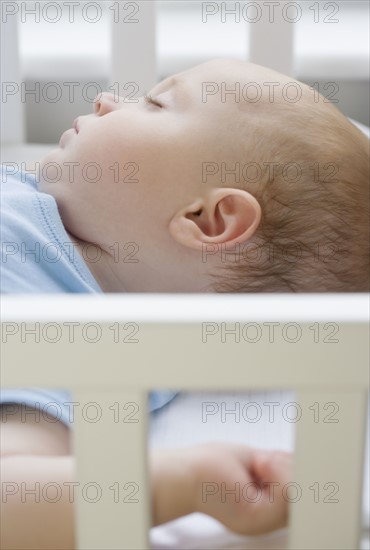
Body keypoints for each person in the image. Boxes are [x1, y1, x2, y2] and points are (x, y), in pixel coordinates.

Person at [1, 57, 369, 548]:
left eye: (155, 103)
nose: (105, 100)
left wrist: (183, 482)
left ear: (208, 220)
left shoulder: (70, 334)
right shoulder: (42, 210)